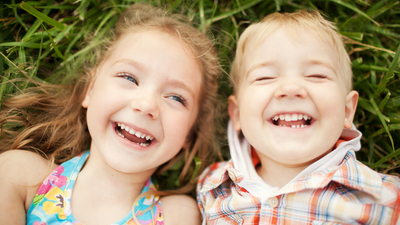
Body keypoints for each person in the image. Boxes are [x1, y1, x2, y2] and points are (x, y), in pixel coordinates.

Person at [0, 3, 220, 225]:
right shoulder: (21, 176)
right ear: (90, 89)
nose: (146, 105)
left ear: (190, 133)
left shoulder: (177, 215)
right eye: (129, 78)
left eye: (176, 98)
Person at [197, 10, 400, 224]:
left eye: (316, 75)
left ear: (347, 110)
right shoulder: (210, 186)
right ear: (236, 114)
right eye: (265, 77)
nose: (291, 88)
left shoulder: (386, 197)